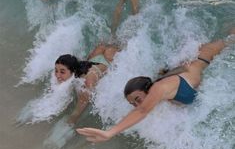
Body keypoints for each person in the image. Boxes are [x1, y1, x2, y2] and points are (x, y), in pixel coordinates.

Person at [76, 31, 235, 143]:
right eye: (133, 103)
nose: (137, 104)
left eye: (138, 99)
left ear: (148, 90)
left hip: (206, 55)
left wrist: (110, 132)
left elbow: (142, 110)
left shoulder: (159, 88)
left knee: (231, 38)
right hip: (190, 66)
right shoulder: (160, 90)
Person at [54, 0, 150, 124]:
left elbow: (78, 110)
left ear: (72, 70)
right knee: (114, 28)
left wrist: (69, 123)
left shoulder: (87, 81)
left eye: (62, 72)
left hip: (107, 56)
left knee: (134, 28)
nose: (57, 75)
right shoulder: (78, 69)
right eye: (56, 71)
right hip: (98, 54)